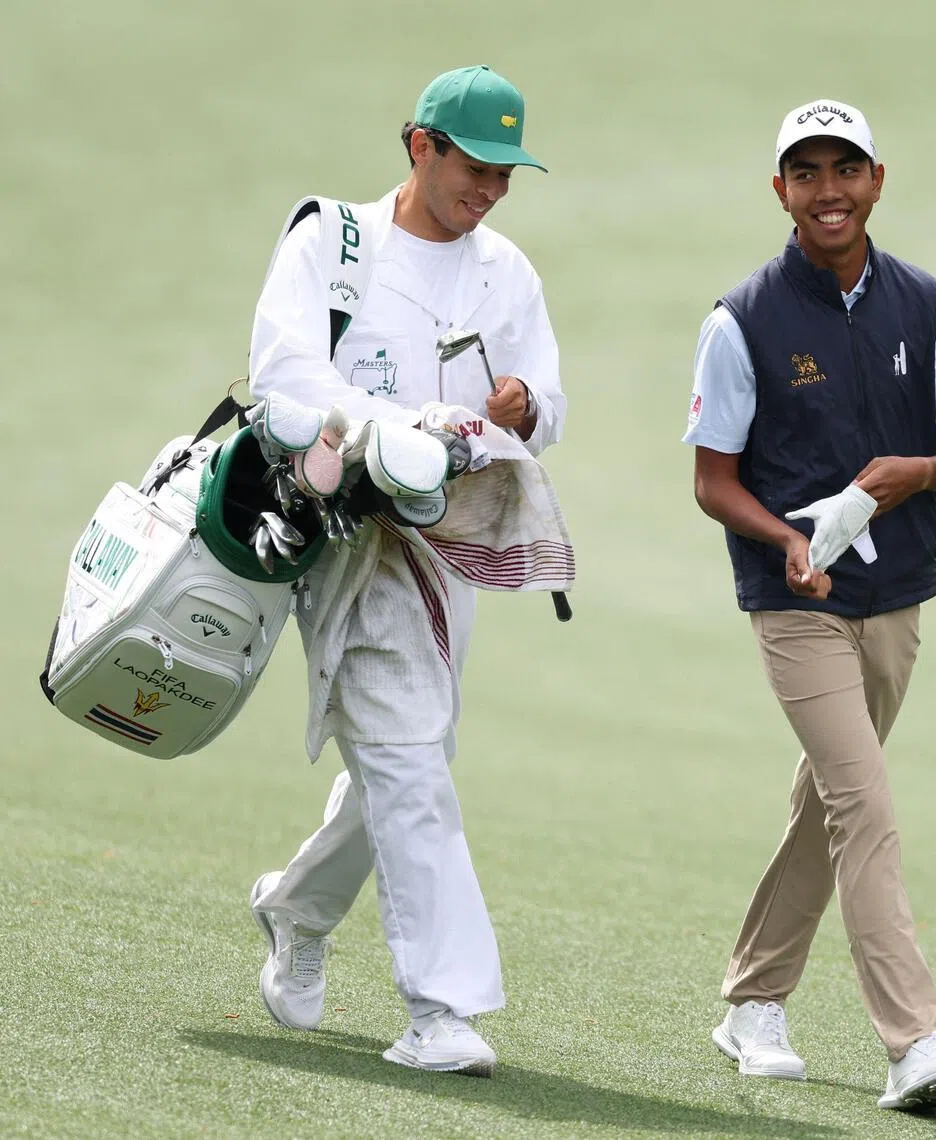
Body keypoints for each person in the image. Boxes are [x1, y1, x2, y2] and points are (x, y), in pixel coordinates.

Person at [245, 65, 565, 1076]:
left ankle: (295, 908)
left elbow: (547, 399)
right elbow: (284, 379)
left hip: (451, 548)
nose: (492, 190)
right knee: (411, 761)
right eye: (477, 167)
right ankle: (442, 1009)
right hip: (341, 537)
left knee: (410, 757)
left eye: (507, 174)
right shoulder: (334, 244)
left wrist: (520, 403)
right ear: (419, 146)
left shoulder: (506, 270)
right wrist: (398, 433)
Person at [683, 98, 936, 1112]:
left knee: (827, 802)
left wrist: (913, 473)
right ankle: (914, 1040)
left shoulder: (924, 301)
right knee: (864, 803)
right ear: (781, 191)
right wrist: (784, 541)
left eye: (845, 169)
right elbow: (713, 479)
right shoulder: (743, 318)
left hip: (896, 593)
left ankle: (751, 1001)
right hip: (796, 602)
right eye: (807, 173)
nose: (829, 191)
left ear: (876, 179)